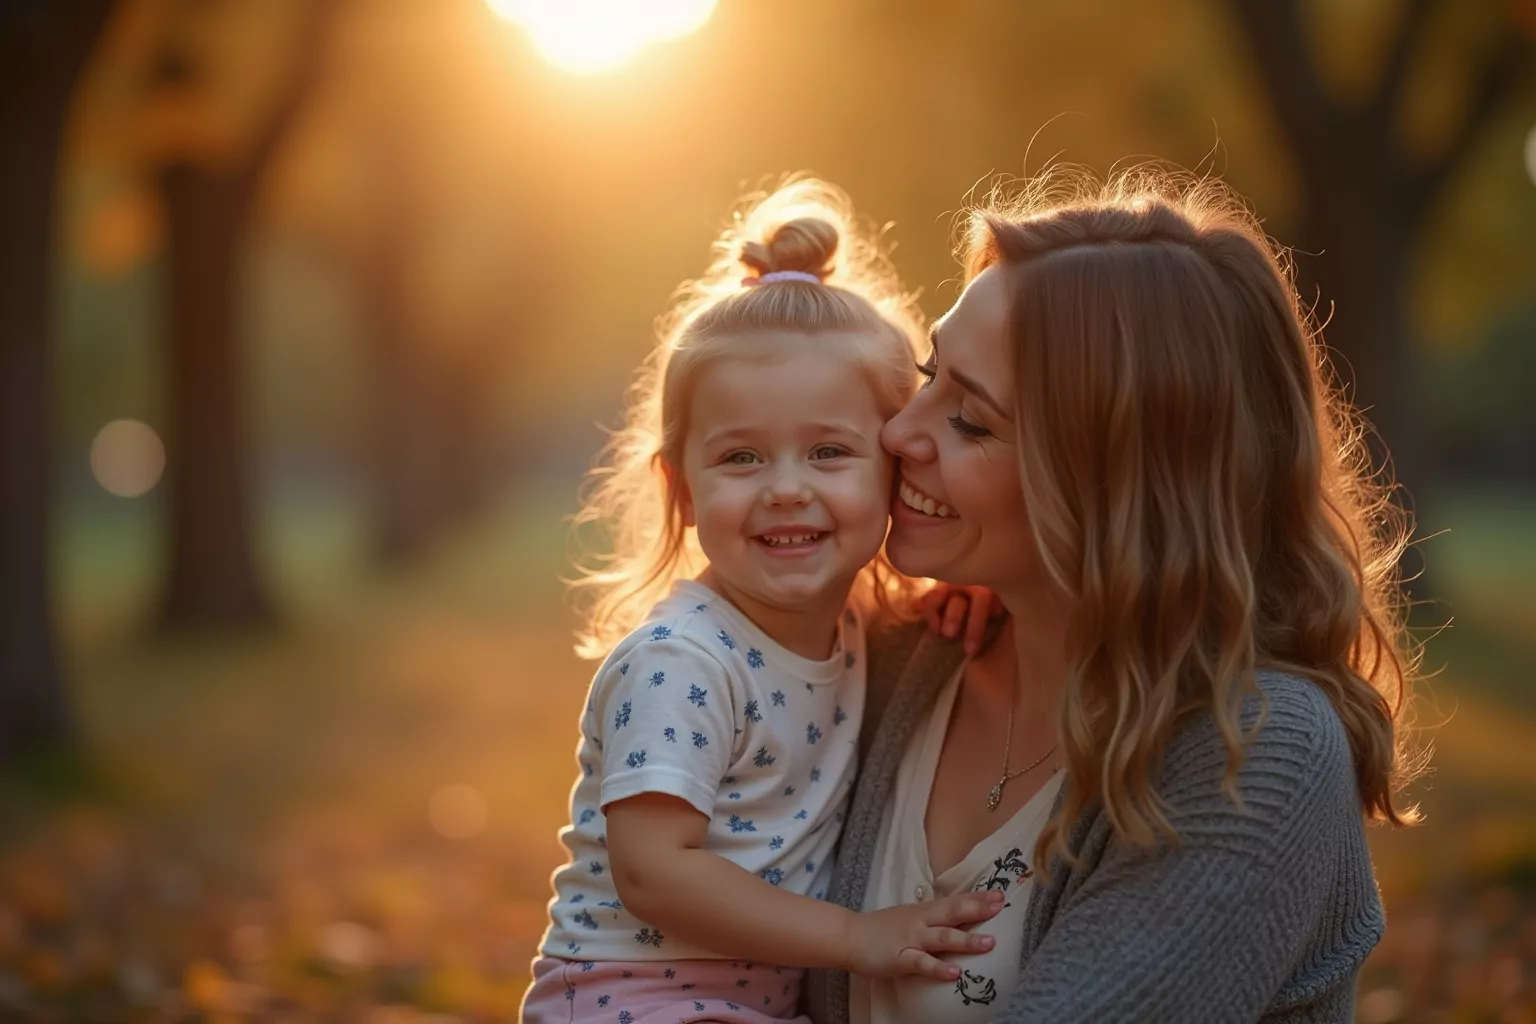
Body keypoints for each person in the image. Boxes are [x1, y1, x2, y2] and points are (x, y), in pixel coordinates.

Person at [805, 167, 1423, 1024]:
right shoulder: (902, 654)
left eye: (972, 420)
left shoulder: (1257, 755)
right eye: (928, 372)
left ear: (1119, 488)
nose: (900, 430)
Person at [520, 178, 1004, 1024]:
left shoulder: (851, 625)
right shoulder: (681, 662)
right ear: (683, 490)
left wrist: (968, 576)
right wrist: (855, 937)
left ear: (896, 471)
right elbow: (654, 872)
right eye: (742, 458)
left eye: (828, 452)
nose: (785, 489)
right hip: (628, 1000)